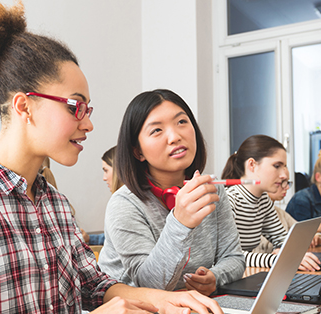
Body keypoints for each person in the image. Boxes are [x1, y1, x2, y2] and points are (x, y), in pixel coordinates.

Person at [0, 1, 227, 314]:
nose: (88, 124)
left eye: (88, 110)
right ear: (24, 107)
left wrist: (159, 299)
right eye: (75, 106)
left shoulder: (54, 201)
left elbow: (93, 284)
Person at [97, 89, 245, 296]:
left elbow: (234, 258)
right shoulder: (124, 203)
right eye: (157, 130)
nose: (175, 136)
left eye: (182, 122)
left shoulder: (211, 188)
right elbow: (150, 285)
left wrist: (215, 277)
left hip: (192, 308)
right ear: (137, 151)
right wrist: (180, 222)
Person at [221, 135, 321, 271]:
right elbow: (230, 256)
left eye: (284, 166)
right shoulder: (229, 201)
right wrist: (278, 259)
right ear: (252, 165)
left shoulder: (263, 201)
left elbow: (282, 239)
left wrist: (286, 251)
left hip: (245, 274)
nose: (284, 175)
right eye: (277, 166)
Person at [253, 180, 321, 253]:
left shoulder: (280, 212)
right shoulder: (251, 213)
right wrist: (297, 240)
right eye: (281, 183)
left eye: (287, 183)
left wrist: (316, 237)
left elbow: (301, 231)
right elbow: (264, 248)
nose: (287, 187)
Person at [88, 146, 123, 246]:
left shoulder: (120, 204)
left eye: (106, 170)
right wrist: (89, 238)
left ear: (118, 170)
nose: (104, 178)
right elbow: (114, 238)